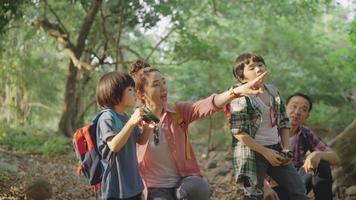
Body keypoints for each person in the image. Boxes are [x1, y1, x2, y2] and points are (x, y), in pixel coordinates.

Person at [128, 59, 266, 200]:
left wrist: (237, 91)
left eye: (164, 82)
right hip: (154, 188)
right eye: (156, 85)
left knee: (199, 188)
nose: (163, 88)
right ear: (141, 94)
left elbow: (208, 104)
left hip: (182, 182)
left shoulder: (178, 112)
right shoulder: (133, 123)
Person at [226, 53, 307, 200]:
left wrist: (286, 148)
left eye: (260, 65)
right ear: (241, 77)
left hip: (276, 148)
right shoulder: (240, 97)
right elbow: (238, 132)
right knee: (254, 195)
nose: (258, 69)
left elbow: (283, 121)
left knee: (298, 189)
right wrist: (265, 152)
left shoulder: (273, 91)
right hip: (253, 152)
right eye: (251, 67)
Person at [264, 92, 340, 200]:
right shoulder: (267, 130)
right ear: (284, 108)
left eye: (304, 109)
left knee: (322, 164)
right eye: (294, 106)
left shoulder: (306, 134)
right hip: (270, 191)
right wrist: (265, 187)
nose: (297, 112)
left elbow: (335, 158)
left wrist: (317, 154)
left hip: (294, 185)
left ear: (307, 116)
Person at [95, 71, 155, 200]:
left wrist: (147, 128)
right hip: (116, 187)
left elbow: (140, 140)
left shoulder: (126, 117)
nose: (135, 93)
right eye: (130, 89)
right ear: (115, 93)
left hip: (133, 184)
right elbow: (114, 146)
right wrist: (132, 122)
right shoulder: (106, 118)